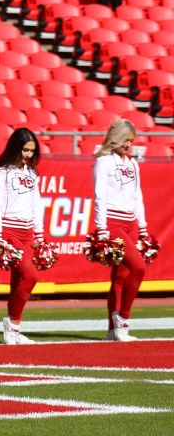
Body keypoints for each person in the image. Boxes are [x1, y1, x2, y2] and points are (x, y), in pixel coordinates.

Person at [92, 119, 149, 341]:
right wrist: (101, 229)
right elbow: (99, 196)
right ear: (115, 138)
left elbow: (138, 196)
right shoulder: (103, 162)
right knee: (139, 268)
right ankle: (123, 320)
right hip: (113, 222)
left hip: (131, 223)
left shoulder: (133, 163)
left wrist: (142, 227)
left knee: (121, 276)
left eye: (131, 141)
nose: (128, 145)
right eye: (125, 140)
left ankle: (112, 330)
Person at [0, 128, 45, 345]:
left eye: (32, 151)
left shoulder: (31, 173)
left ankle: (14, 329)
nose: (28, 155)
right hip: (10, 231)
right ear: (15, 147)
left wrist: (39, 235)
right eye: (24, 150)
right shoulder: (1, 173)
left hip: (28, 232)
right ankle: (12, 324)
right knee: (30, 277)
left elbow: (37, 205)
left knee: (19, 280)